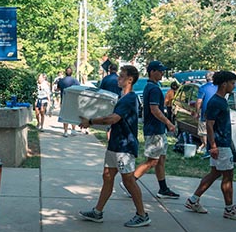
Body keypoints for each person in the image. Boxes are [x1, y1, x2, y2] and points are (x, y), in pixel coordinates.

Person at [78, 65, 151, 228]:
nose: (118, 79)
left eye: (121, 77)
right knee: (107, 177)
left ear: (130, 80)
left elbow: (113, 118)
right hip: (115, 145)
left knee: (129, 181)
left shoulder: (130, 98)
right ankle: (97, 212)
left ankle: (142, 215)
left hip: (125, 146)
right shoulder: (121, 97)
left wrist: (90, 121)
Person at [185, 71, 236, 221]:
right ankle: (229, 209)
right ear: (224, 83)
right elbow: (209, 125)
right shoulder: (216, 102)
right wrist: (213, 145)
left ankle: (193, 200)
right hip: (221, 145)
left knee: (215, 173)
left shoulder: (221, 100)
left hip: (221, 144)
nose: (234, 86)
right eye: (232, 83)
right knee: (228, 176)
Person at [120, 61, 179, 199]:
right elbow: (154, 109)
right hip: (154, 130)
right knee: (152, 161)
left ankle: (163, 189)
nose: (162, 73)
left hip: (158, 129)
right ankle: (129, 182)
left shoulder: (152, 87)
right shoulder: (153, 89)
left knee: (161, 159)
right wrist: (169, 123)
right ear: (152, 71)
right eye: (160, 70)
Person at [193, 71, 217, 155]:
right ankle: (213, 147)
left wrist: (196, 112)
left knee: (203, 132)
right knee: (214, 131)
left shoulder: (203, 88)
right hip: (217, 113)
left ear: (206, 78)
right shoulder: (219, 87)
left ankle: (207, 147)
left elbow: (199, 101)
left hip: (205, 114)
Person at [58, 66, 80, 137]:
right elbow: (79, 90)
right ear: (71, 73)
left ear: (65, 72)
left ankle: (65, 131)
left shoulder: (61, 81)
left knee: (65, 115)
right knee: (73, 115)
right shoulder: (75, 81)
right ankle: (73, 130)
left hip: (64, 100)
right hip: (73, 100)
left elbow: (58, 89)